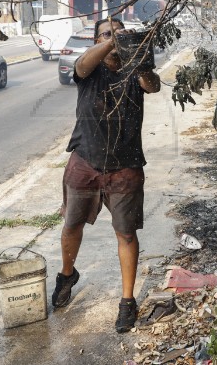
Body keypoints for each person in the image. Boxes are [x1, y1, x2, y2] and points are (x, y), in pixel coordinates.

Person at [52, 17, 162, 333]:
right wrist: (111, 42)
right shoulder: (88, 71)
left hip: (125, 166)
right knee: (72, 224)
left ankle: (127, 301)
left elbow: (151, 84)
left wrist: (137, 55)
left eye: (119, 33)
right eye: (105, 34)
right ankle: (67, 273)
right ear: (96, 40)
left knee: (126, 233)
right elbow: (82, 65)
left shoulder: (134, 70)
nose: (113, 39)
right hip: (85, 160)